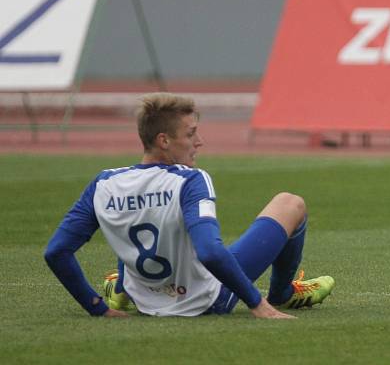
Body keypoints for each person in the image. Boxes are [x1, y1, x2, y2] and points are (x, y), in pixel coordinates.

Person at [44, 93, 334, 318]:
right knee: (290, 203)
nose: (200, 141)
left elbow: (56, 251)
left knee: (137, 220)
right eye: (191, 133)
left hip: (147, 300)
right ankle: (282, 293)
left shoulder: (104, 183)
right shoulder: (191, 180)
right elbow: (209, 252)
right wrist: (257, 304)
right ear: (164, 140)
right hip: (206, 299)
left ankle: (120, 290)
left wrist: (96, 308)